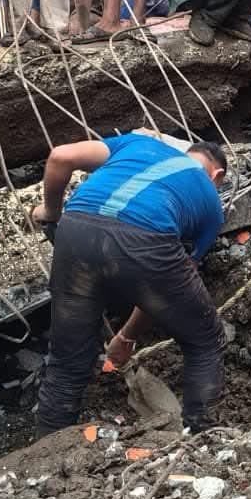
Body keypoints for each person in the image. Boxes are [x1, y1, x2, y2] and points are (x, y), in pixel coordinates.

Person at [32, 134, 228, 434]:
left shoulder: (138, 144)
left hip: (75, 229)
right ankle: (203, 437)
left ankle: (48, 448)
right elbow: (166, 289)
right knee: (206, 340)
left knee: (67, 360)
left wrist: (51, 212)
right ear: (217, 176)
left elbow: (60, 156)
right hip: (146, 242)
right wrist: (127, 337)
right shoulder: (211, 202)